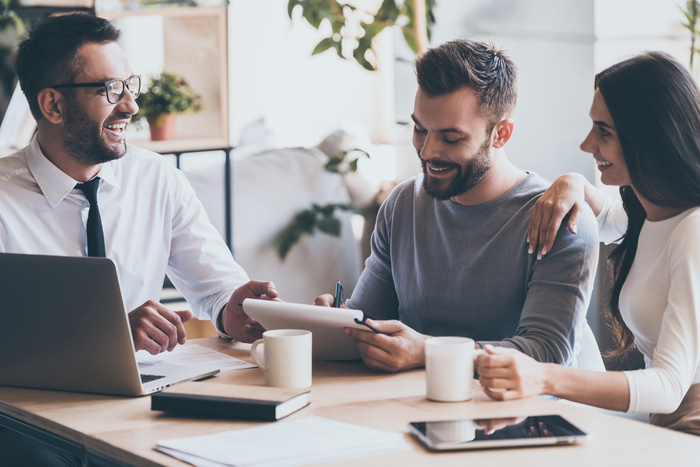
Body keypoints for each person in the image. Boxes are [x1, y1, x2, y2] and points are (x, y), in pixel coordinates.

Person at [0, 12, 278, 465]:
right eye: (111, 90)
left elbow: (217, 288)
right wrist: (108, 335)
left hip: (142, 408)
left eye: (131, 85)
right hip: (27, 421)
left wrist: (233, 309)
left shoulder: (156, 179)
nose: (130, 105)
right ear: (52, 105)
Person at [315, 39, 602, 373]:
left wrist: (430, 351)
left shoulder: (561, 220)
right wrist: (333, 323)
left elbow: (547, 353)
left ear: (501, 134)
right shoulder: (402, 205)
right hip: (411, 408)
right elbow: (369, 323)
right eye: (420, 129)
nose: (427, 151)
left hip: (523, 419)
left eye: (451, 138)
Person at [477, 51, 700, 436]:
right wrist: (572, 182)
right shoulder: (652, 210)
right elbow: (605, 219)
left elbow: (666, 389)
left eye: (604, 132)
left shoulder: (692, 231)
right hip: (662, 421)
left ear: (650, 137)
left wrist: (544, 377)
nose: (586, 144)